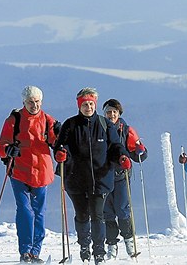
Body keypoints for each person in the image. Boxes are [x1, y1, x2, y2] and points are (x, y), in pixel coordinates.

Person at [53, 88, 131, 264]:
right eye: (85, 104)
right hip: (76, 178)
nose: (88, 107)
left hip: (100, 178)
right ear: (79, 105)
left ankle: (99, 252)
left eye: (91, 104)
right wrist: (61, 153)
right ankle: (84, 247)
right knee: (82, 215)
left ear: (94, 104)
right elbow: (60, 145)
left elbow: (115, 146)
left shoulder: (105, 124)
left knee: (97, 215)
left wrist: (122, 156)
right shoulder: (70, 124)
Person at [0, 85, 59, 263]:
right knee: (25, 211)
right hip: (19, 171)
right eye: (31, 102)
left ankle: (35, 252)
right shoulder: (14, 120)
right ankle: (25, 251)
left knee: (39, 212)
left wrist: (61, 146)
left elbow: (56, 143)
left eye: (37, 101)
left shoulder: (48, 120)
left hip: (42, 172)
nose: (34, 105)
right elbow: (0, 146)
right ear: (24, 102)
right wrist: (8, 150)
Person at [101, 99, 148, 259]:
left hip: (121, 176)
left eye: (114, 111)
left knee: (122, 210)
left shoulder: (126, 130)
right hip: (104, 176)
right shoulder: (99, 128)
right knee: (107, 212)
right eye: (109, 112)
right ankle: (111, 246)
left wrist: (141, 151)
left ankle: (129, 243)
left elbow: (137, 153)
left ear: (119, 113)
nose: (112, 114)